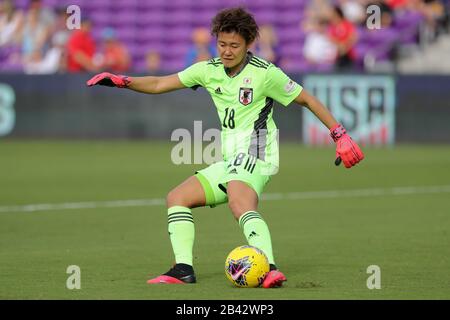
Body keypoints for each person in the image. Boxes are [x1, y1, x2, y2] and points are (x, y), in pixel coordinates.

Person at [87, 7, 364, 288]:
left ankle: (269, 267)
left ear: (248, 44)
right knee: (177, 198)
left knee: (239, 201)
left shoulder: (265, 74)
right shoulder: (208, 70)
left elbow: (307, 99)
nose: (227, 51)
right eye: (222, 44)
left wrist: (339, 135)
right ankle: (183, 269)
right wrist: (123, 82)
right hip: (231, 158)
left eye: (234, 45)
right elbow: (159, 83)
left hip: (258, 151)